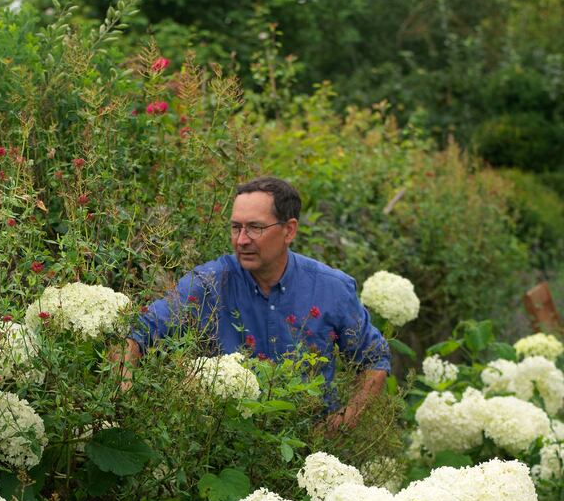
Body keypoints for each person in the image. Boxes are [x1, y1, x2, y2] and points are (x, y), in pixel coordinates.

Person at [118, 176, 390, 431]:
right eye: (236, 227)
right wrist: (127, 400)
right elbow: (136, 333)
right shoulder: (209, 283)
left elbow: (374, 360)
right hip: (224, 444)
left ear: (289, 230)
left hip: (305, 445)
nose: (242, 240)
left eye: (255, 228)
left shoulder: (331, 288)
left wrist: (341, 424)